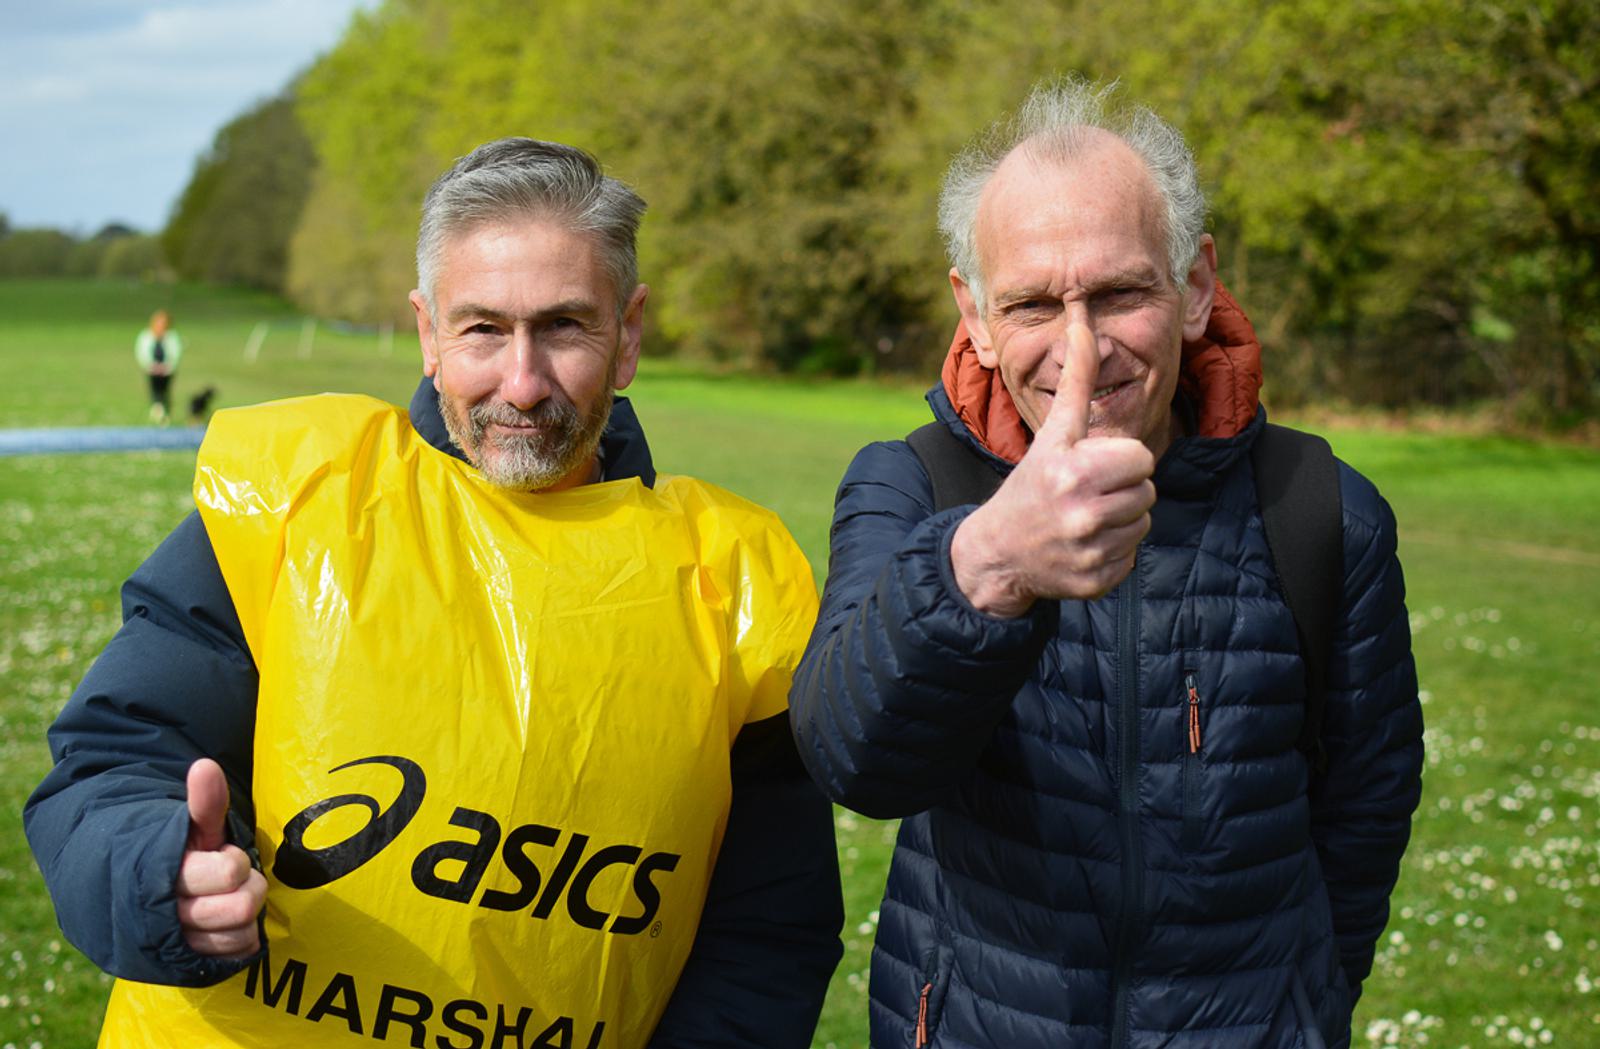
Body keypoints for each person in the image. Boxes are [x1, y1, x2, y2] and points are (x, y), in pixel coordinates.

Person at [27, 138, 842, 1048]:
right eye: (483, 329)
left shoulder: (732, 587)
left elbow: (768, 934)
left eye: (566, 326)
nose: (522, 385)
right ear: (426, 332)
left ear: (630, 333)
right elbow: (108, 761)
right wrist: (157, 871)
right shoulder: (301, 505)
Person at [789, 79, 1422, 1048]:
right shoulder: (912, 485)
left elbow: (1365, 804)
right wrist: (986, 565)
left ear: (1196, 286)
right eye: (1033, 303)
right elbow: (856, 761)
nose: (1080, 348)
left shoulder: (1320, 508)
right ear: (976, 315)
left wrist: (1305, 1006)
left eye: (1122, 292)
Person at [135, 308, 182, 424]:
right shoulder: (146, 336)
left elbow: (176, 353)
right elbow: (142, 353)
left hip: (167, 370)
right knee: (155, 390)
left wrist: (168, 366)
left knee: (165, 391)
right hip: (152, 369)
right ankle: (157, 410)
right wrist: (151, 365)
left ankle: (165, 414)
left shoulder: (171, 337)